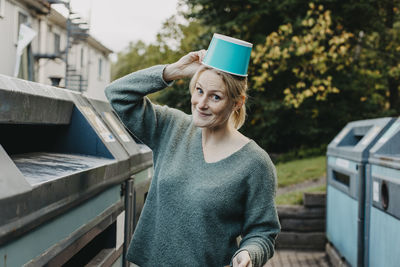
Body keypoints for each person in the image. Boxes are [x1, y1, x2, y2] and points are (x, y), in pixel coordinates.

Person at [105, 49, 280, 267]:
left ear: (237, 103)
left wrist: (249, 254)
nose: (201, 103)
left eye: (215, 96)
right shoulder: (171, 127)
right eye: (199, 91)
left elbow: (263, 231)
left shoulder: (255, 164)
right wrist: (172, 71)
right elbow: (117, 95)